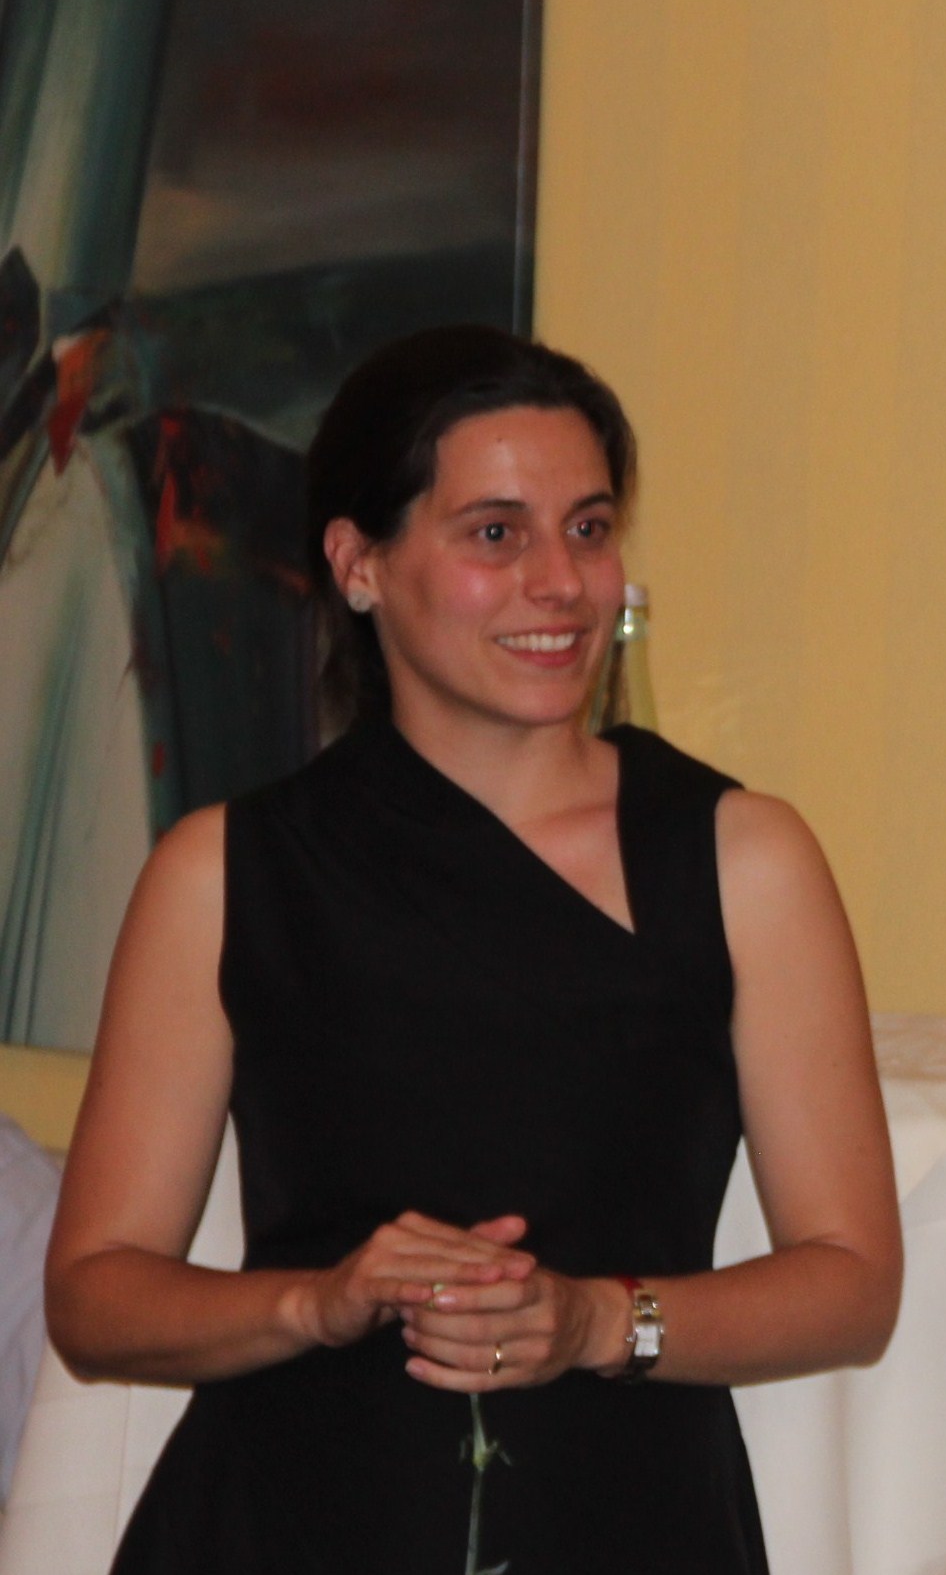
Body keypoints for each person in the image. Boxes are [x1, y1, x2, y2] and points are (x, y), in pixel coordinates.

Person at [45, 326, 903, 1573]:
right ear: (358, 563)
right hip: (288, 1519)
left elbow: (852, 1282)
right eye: (496, 533)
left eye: (589, 528)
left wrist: (599, 1321)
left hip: (628, 1520)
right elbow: (94, 1295)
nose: (561, 582)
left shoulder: (742, 857)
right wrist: (315, 1301)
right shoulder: (222, 871)